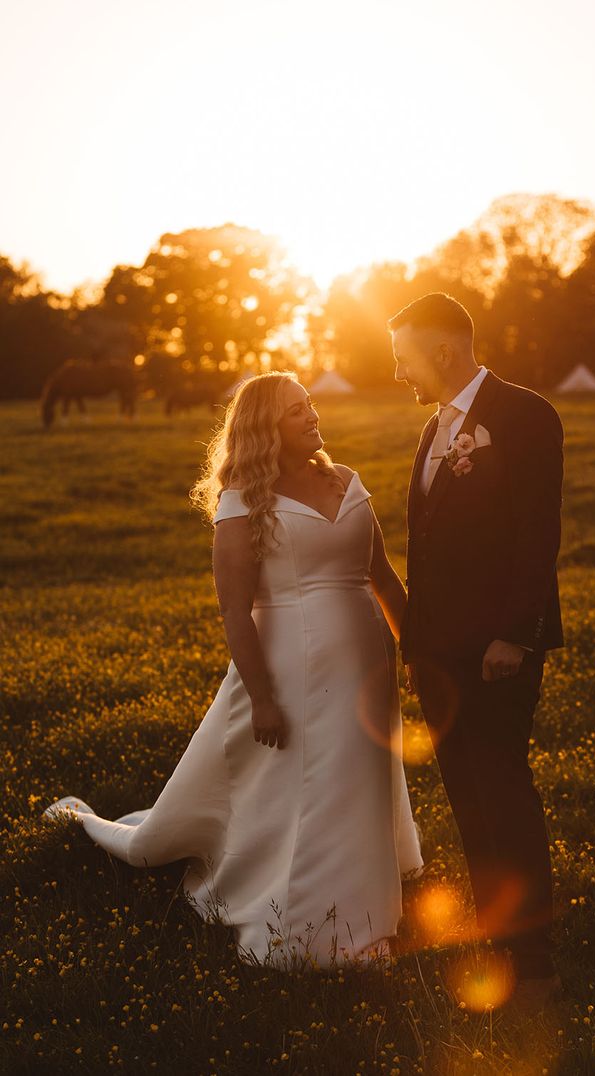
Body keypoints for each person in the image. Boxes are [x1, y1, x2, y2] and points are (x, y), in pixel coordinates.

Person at [44, 372, 424, 970]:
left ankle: (369, 904)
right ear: (265, 429)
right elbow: (235, 609)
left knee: (360, 777)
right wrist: (263, 698)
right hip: (290, 664)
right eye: (296, 411)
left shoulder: (347, 480)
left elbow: (381, 576)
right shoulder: (242, 502)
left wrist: (420, 655)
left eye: (309, 406)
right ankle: (312, 926)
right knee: (317, 785)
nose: (311, 416)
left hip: (367, 664)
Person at [389, 292, 563, 1013]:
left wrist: (516, 634)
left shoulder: (524, 415)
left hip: (497, 648)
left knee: (503, 790)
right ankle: (497, 929)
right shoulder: (436, 427)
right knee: (466, 794)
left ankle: (537, 958)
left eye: (403, 358)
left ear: (442, 351)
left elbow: (536, 533)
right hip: (439, 652)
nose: (397, 373)